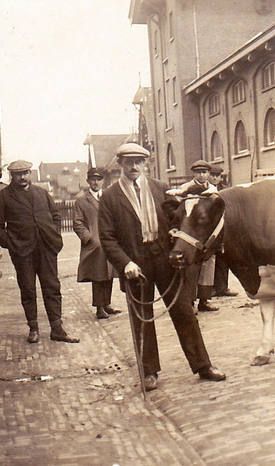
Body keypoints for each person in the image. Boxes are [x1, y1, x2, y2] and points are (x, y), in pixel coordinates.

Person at [98, 143, 226, 391]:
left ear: (145, 164)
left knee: (184, 312)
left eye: (138, 162)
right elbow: (107, 238)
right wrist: (125, 263)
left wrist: (178, 244)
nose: (134, 167)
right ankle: (149, 372)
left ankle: (203, 365)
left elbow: (178, 222)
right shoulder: (110, 197)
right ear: (120, 164)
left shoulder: (161, 189)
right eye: (128, 162)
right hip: (136, 266)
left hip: (166, 260)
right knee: (142, 319)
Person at [0, 160, 79, 344]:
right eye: (18, 174)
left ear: (30, 173)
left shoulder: (42, 193)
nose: (23, 177)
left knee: (52, 287)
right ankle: (34, 328)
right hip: (22, 252)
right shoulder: (3, 197)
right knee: (28, 289)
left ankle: (57, 329)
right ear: (12, 176)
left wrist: (54, 234)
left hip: (46, 247)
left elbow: (56, 216)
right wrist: (11, 243)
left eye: (26, 173)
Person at [167, 160, 221, 313]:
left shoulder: (213, 190)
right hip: (190, 235)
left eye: (204, 172)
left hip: (206, 235)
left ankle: (204, 300)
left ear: (208, 174)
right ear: (193, 173)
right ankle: (190, 301)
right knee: (190, 267)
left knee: (208, 266)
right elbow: (177, 213)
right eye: (198, 172)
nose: (202, 175)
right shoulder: (184, 189)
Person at [73, 168, 121, 320]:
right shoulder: (81, 200)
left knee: (109, 273)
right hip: (95, 245)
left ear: (103, 181)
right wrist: (90, 238)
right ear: (88, 181)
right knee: (98, 275)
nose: (96, 182)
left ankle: (107, 304)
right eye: (92, 179)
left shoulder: (109, 197)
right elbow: (78, 223)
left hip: (110, 241)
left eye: (98, 179)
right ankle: (99, 307)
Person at [208, 162, 238, 298]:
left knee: (223, 257)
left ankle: (223, 287)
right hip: (209, 227)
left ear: (221, 177)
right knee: (210, 258)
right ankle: (210, 288)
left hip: (224, 227)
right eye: (212, 175)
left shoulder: (225, 190)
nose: (214, 178)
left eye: (217, 176)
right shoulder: (205, 190)